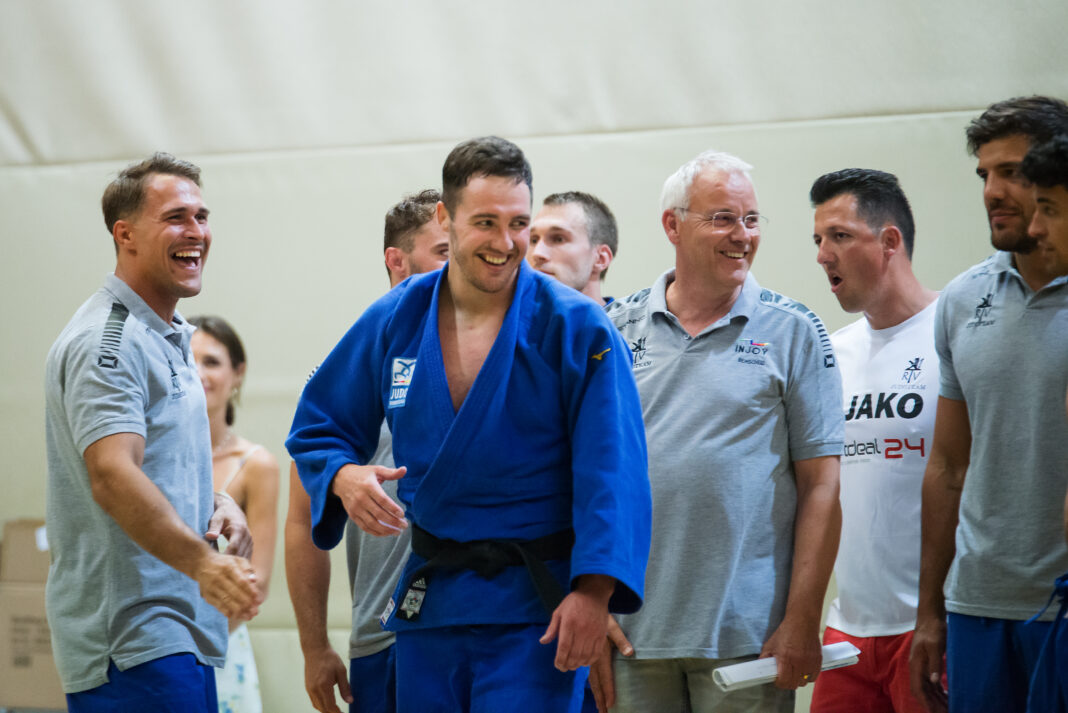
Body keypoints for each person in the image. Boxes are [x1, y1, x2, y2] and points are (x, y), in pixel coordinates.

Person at [287, 136, 651, 712]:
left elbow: (615, 470)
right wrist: (342, 475)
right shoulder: (398, 314)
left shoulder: (576, 326)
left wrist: (594, 592)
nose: (506, 244)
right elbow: (318, 425)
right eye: (485, 222)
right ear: (445, 218)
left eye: (519, 224)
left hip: (539, 609)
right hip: (433, 601)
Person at [604, 150, 843, 712]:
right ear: (672, 225)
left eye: (752, 219)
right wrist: (590, 604)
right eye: (723, 219)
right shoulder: (614, 330)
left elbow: (822, 488)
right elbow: (586, 479)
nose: (742, 235)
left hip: (749, 638)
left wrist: (803, 618)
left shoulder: (794, 330)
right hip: (632, 633)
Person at [44, 152, 262, 713]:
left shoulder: (165, 336)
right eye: (175, 217)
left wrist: (216, 502)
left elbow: (154, 463)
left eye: (202, 215)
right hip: (134, 643)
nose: (197, 232)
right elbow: (113, 475)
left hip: (180, 635)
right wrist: (205, 564)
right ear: (126, 235)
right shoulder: (107, 343)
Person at [909, 96, 1068, 713]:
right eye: (984, 174)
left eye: (1013, 172)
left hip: (1058, 603)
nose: (993, 190)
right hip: (976, 605)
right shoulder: (961, 299)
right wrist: (929, 612)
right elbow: (948, 467)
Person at [285, 188, 448, 713]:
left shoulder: (492, 356)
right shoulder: (345, 378)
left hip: (481, 625)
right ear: (396, 262)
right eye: (445, 252)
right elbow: (300, 520)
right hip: (383, 635)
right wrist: (314, 646)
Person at [807, 168, 938, 713]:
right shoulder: (828, 353)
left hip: (930, 626)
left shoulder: (951, 333)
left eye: (839, 236)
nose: (822, 255)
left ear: (890, 242)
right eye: (817, 240)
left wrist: (940, 615)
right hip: (848, 633)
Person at [190, 315, 280, 713]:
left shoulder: (256, 464)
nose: (198, 372)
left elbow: (256, 582)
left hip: (217, 644)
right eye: (187, 360)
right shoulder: (149, 456)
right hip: (150, 644)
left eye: (211, 361)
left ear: (237, 374)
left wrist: (193, 643)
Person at [528, 191, 618, 305]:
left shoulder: (635, 320)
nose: (537, 253)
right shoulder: (508, 321)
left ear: (600, 258)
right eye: (533, 240)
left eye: (558, 239)